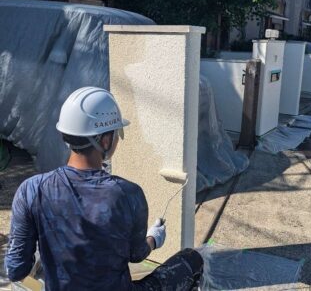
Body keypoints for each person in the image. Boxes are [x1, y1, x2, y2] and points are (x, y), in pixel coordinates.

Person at [4, 87, 203, 290]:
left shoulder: (31, 190)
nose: (117, 139)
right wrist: (154, 238)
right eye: (116, 133)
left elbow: (16, 269)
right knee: (192, 258)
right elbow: (136, 255)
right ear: (104, 140)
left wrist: (47, 247)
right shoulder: (128, 194)